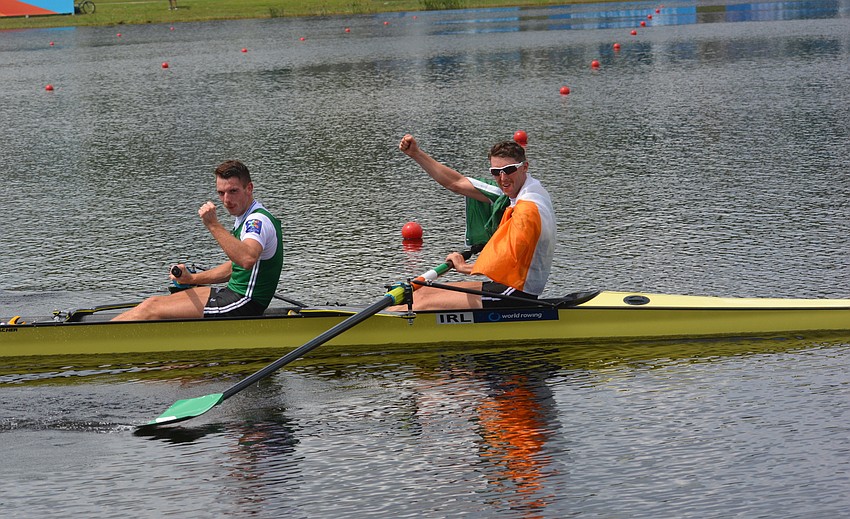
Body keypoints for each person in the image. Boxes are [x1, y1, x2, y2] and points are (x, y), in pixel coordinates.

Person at [393, 134, 556, 310]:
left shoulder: (527, 210)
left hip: (518, 293)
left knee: (420, 304)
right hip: (506, 284)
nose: (502, 179)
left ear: (524, 167)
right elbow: (456, 182)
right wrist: (416, 153)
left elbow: (506, 261)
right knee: (420, 293)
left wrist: (464, 267)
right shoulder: (520, 189)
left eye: (509, 170)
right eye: (495, 172)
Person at [113, 160, 283, 321]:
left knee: (150, 309)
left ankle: (93, 343)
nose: (226, 200)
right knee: (152, 302)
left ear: (249, 188)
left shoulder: (257, 221)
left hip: (244, 303)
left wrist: (213, 225)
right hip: (234, 294)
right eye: (221, 193)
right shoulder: (245, 216)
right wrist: (192, 279)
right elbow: (235, 267)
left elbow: (247, 259)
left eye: (233, 191)